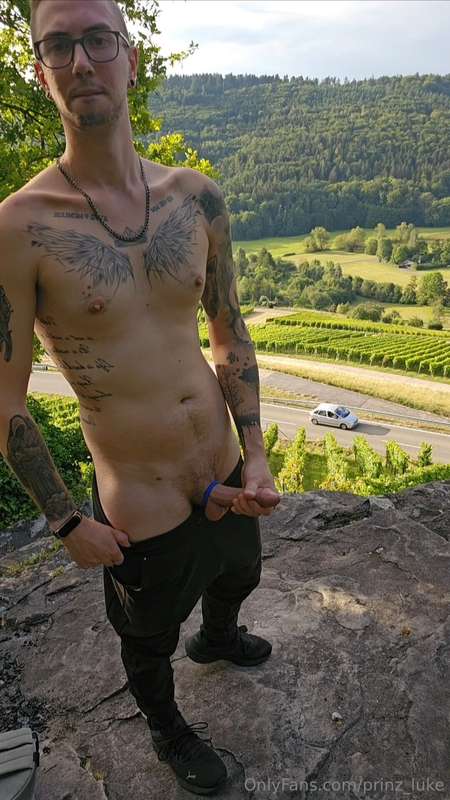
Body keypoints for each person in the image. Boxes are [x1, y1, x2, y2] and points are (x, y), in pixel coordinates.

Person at [0, 0, 281, 795]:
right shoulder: (19, 227)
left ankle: (219, 638)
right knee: (149, 635)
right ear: (41, 71)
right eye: (59, 45)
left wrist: (256, 453)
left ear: (130, 57)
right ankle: (165, 726)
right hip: (140, 496)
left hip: (222, 458)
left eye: (99, 39)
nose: (82, 61)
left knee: (239, 574)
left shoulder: (197, 197)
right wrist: (66, 523)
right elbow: (5, 398)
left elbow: (229, 330)